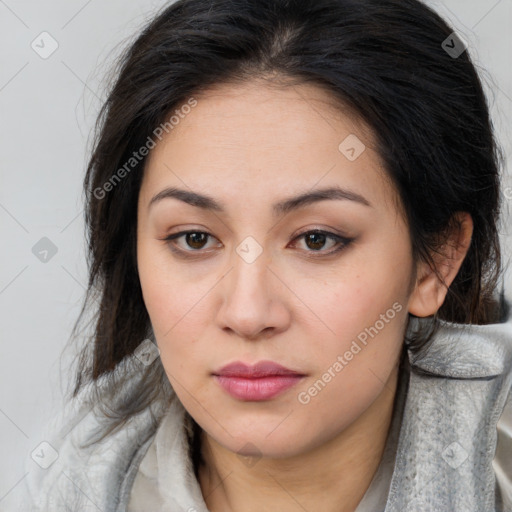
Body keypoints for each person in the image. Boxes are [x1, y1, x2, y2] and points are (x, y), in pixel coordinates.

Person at [19, 0, 512, 510]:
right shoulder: (67, 488)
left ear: (436, 260)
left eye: (317, 239)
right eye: (194, 238)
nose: (248, 313)